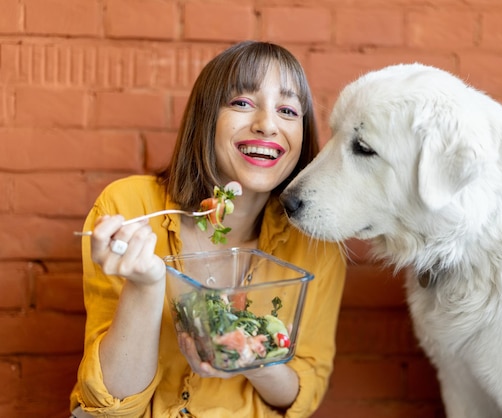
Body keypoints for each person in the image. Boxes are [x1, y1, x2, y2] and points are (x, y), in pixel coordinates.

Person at [69, 40, 347, 418]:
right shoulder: (128, 207)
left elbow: (301, 393)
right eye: (242, 103)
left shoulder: (317, 245)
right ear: (206, 117)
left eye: (287, 110)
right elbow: (111, 408)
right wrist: (146, 285)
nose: (267, 124)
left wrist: (243, 351)